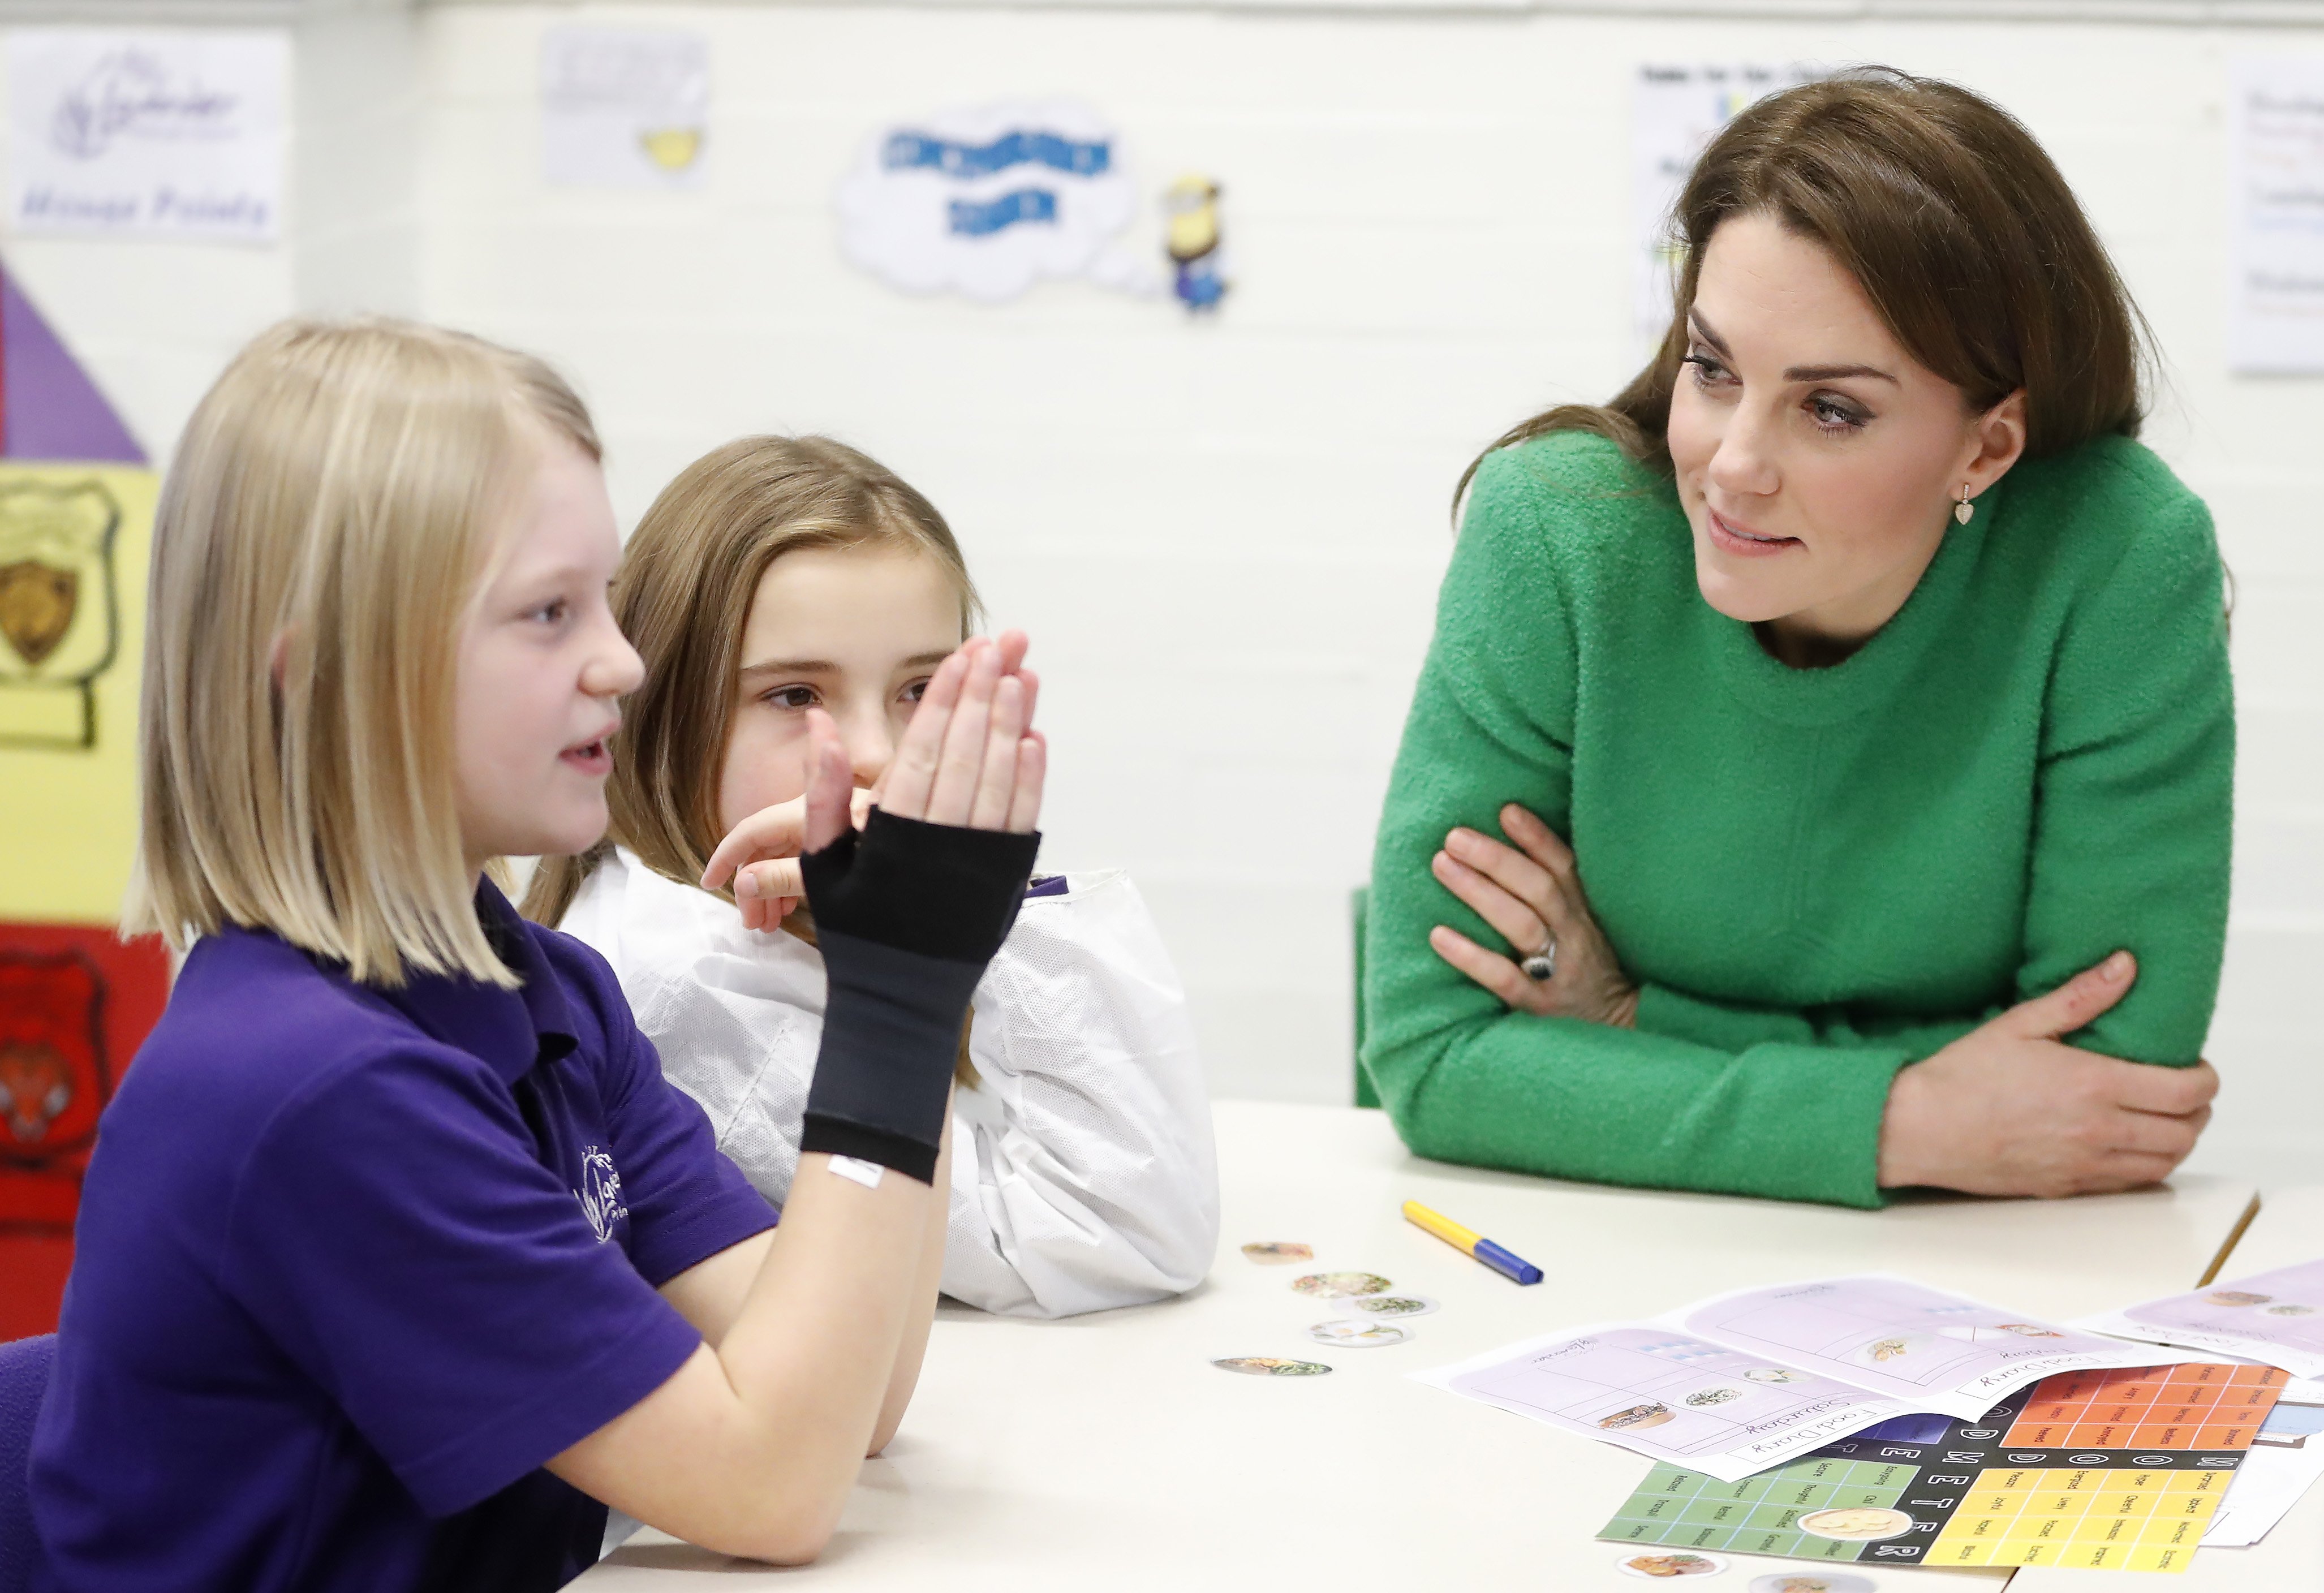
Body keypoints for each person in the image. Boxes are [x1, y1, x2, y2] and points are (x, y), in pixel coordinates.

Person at [31, 319, 1045, 1590]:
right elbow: (770, 1485)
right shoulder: (317, 1091)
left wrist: (900, 970)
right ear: (330, 677)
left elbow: (856, 1407)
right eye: (550, 612)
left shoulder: (548, 997)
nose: (621, 662)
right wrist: (898, 997)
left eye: (607, 600)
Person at [1363, 70, 2228, 1209]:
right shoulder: (1557, 531)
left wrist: (1630, 1022)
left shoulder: (2115, 560)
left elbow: (2103, 1094)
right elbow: (1434, 1059)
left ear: (1985, 447)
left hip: (1984, 1280)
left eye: (1829, 409)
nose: (1729, 467)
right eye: (1712, 370)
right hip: (1592, 1248)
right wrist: (1902, 1120)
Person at [524, 435, 1216, 1319]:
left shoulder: (794, 919)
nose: (877, 754)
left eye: (920, 690)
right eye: (795, 696)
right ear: (658, 716)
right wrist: (975, 904)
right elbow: (1128, 1232)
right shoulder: (681, 974)